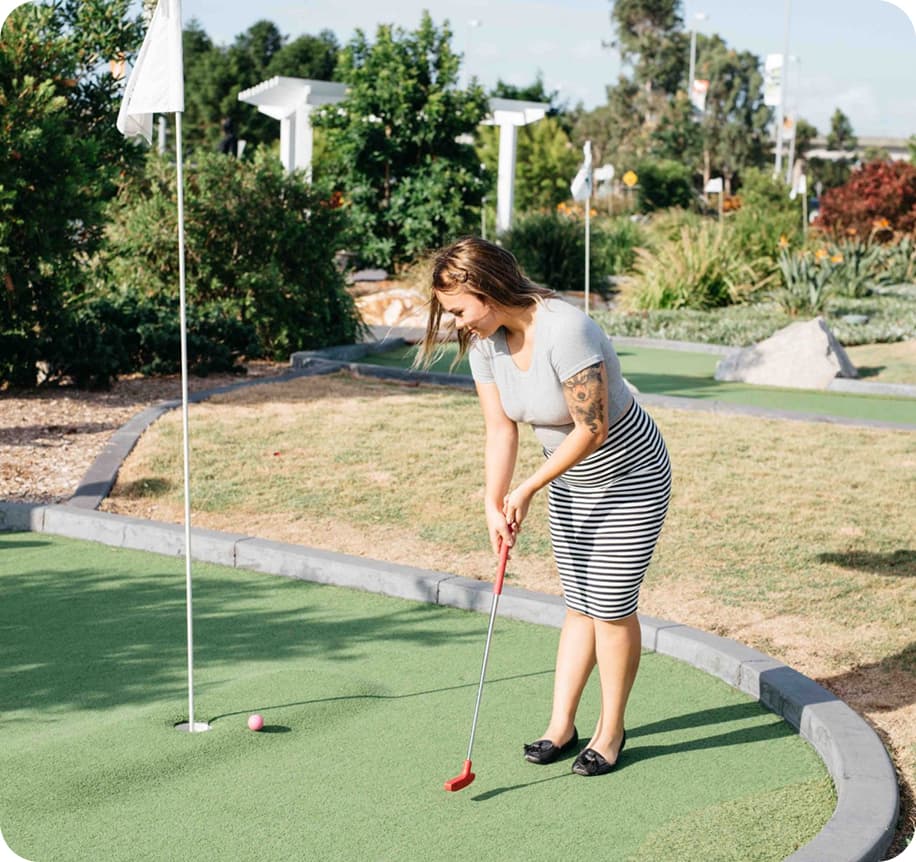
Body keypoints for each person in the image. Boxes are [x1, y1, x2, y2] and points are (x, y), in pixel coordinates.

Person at [418, 236, 671, 776]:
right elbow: (499, 428)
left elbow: (593, 429)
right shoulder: (486, 342)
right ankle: (562, 724)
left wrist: (528, 488)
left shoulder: (566, 329)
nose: (458, 323)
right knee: (579, 600)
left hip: (631, 475)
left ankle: (611, 730)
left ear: (485, 289)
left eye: (459, 309)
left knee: (610, 604)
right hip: (570, 480)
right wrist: (493, 502)